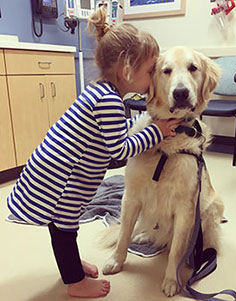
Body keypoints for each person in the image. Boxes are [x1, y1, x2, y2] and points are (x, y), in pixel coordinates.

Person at [6, 6, 182, 299]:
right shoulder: (110, 102)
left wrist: (145, 123)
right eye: (151, 70)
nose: (153, 78)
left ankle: (71, 266)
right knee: (64, 225)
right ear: (127, 68)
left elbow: (113, 131)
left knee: (60, 223)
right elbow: (119, 150)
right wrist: (157, 132)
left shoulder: (100, 92)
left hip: (51, 165)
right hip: (62, 175)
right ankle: (74, 281)